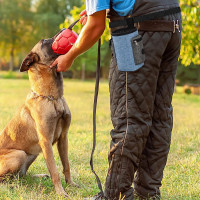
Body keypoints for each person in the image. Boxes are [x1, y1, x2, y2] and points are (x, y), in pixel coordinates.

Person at [50, 0, 182, 199]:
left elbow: (96, 27)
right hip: (172, 26)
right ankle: (148, 191)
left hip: (136, 34)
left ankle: (115, 194)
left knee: (129, 115)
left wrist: (70, 55)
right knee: (160, 113)